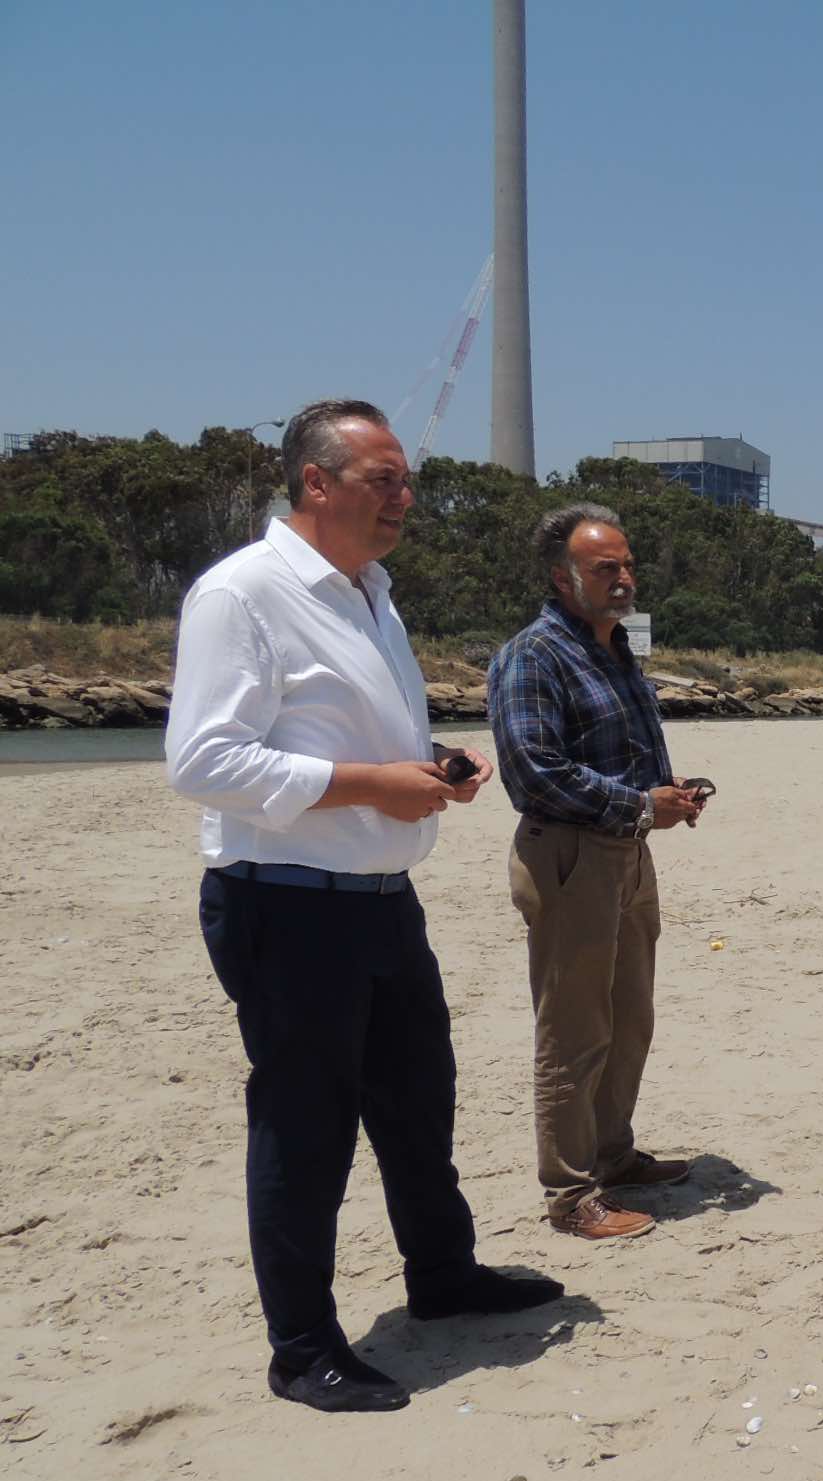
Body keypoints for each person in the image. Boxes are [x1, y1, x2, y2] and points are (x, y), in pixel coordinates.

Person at [165, 399, 563, 1415]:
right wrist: (371, 785)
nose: (405, 498)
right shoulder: (242, 593)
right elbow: (203, 762)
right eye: (383, 479)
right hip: (284, 905)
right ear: (316, 482)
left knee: (418, 1104)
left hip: (382, 899)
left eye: (405, 481)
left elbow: (347, 738)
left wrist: (427, 769)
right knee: (306, 1131)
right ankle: (302, 1350)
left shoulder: (371, 593)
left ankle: (443, 1277)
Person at [488, 504, 711, 1241]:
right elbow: (533, 771)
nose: (623, 579)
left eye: (627, 565)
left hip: (628, 851)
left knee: (629, 1019)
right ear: (563, 578)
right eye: (605, 568)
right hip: (570, 854)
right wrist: (641, 805)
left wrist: (667, 796)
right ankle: (570, 1192)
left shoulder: (614, 650)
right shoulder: (534, 654)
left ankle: (613, 1155)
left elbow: (622, 752)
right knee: (574, 1031)